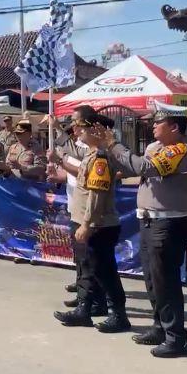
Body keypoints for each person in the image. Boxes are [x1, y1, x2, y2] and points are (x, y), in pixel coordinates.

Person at [102, 111, 187, 358]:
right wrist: (111, 150)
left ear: (174, 127)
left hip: (168, 224)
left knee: (166, 282)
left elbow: (145, 167)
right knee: (152, 280)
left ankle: (176, 338)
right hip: (149, 222)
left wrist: (114, 144)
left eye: (159, 122)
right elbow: (132, 166)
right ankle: (160, 327)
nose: (153, 126)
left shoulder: (179, 150)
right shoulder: (157, 147)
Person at [53, 114, 131, 333]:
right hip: (83, 221)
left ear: (94, 131)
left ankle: (119, 315)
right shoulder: (90, 155)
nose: (78, 131)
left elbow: (96, 195)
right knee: (88, 269)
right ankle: (85, 310)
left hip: (99, 225)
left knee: (105, 271)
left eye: (82, 128)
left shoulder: (100, 159)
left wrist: (87, 224)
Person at [47, 105, 101, 307]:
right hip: (74, 202)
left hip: (86, 208)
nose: (73, 126)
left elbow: (83, 173)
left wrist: (59, 158)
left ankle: (90, 300)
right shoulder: (79, 144)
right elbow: (71, 171)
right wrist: (57, 173)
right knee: (80, 256)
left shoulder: (91, 147)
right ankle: (83, 293)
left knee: (88, 257)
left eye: (76, 122)